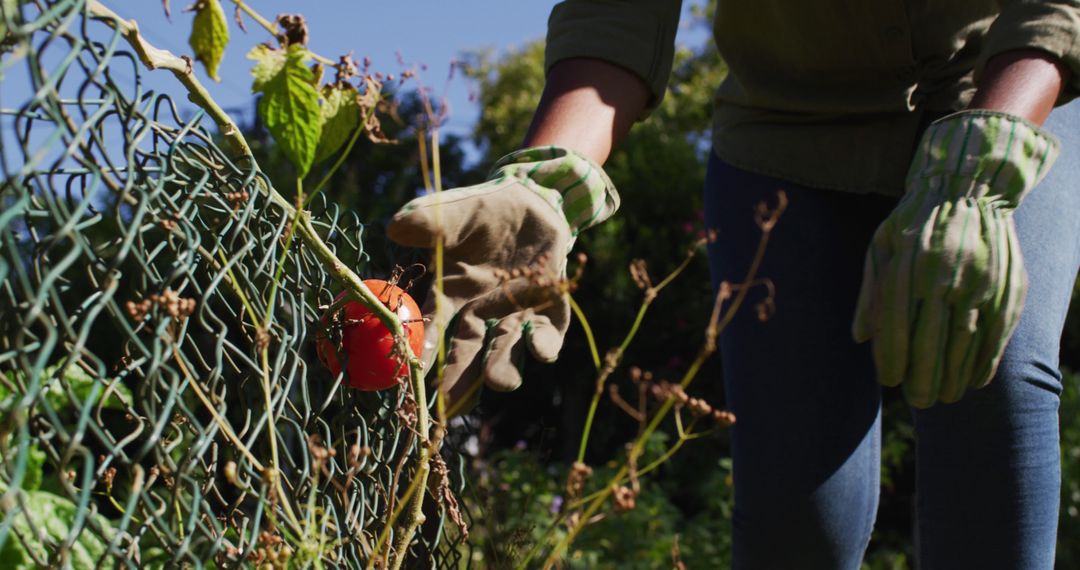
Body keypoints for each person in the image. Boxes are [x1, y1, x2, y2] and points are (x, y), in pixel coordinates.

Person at [387, 2, 1080, 568]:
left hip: (1009, 87)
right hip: (785, 143)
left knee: (997, 379)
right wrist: (551, 182)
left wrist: (979, 169)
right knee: (798, 524)